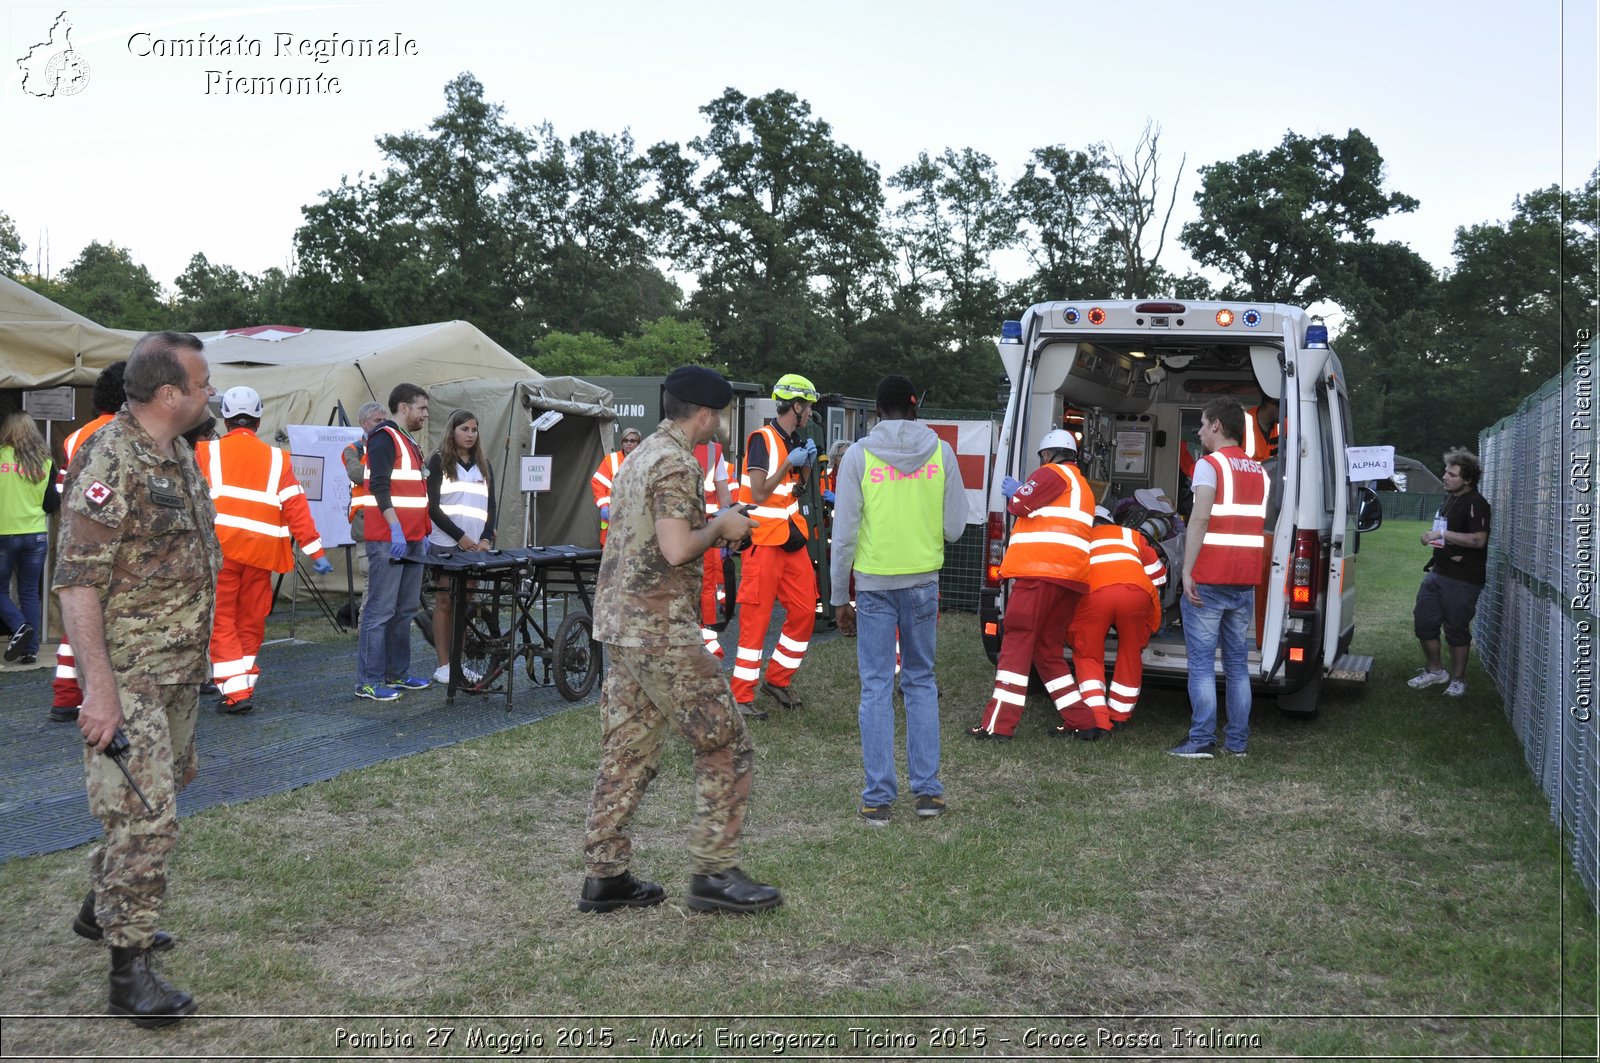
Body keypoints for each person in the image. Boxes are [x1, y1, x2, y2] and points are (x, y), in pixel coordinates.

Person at [54, 331, 220, 1027]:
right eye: (203, 383)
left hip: (177, 668)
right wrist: (99, 689)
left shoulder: (175, 451)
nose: (210, 392)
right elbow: (77, 581)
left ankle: (104, 906)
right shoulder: (110, 457)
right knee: (147, 818)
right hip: (131, 674)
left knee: (158, 790)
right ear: (169, 394)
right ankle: (130, 973)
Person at [580, 365, 783, 916]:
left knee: (628, 751)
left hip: (621, 626)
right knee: (725, 742)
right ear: (705, 414)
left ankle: (606, 875)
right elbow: (675, 549)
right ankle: (714, 876)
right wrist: (721, 527)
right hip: (659, 629)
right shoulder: (675, 462)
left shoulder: (640, 455)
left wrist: (716, 523)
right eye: (718, 415)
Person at [829, 375, 965, 826]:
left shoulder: (857, 456)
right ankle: (928, 794)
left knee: (875, 686)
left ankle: (878, 799)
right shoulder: (941, 452)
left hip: (872, 586)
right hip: (923, 582)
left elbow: (844, 535)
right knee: (921, 682)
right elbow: (956, 528)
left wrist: (836, 596)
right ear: (914, 408)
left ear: (876, 410)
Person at [194, 386, 332, 714]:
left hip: (222, 552)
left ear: (226, 420)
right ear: (257, 420)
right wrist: (317, 554)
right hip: (262, 556)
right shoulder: (278, 459)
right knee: (251, 619)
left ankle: (236, 692)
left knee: (223, 620)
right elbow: (297, 509)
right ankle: (244, 680)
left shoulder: (205, 454)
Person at [968, 429, 1094, 740]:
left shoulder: (1052, 473)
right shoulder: (1083, 486)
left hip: (1039, 574)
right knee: (1047, 650)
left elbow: (1019, 505)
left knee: (1016, 644)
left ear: (1047, 455)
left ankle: (997, 725)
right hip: (1070, 579)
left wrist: (1017, 490)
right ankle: (1081, 720)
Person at [1169, 396, 1270, 759]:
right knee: (1237, 666)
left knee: (1201, 665)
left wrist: (1186, 570)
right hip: (1244, 579)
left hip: (1210, 577)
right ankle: (1237, 743)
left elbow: (1199, 519)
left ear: (1217, 426)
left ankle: (1200, 740)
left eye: (1201, 423)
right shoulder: (1259, 471)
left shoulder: (1209, 465)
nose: (1198, 431)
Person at [732, 373, 821, 717]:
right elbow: (758, 493)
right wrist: (788, 462)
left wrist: (808, 464)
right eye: (808, 406)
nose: (811, 412)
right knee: (756, 619)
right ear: (795, 406)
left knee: (803, 611)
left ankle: (777, 680)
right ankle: (741, 697)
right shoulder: (762, 439)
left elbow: (795, 490)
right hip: (762, 542)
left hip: (791, 539)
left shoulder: (795, 439)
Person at [50, 361, 127, 722]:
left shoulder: (74, 437)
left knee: (78, 620)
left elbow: (65, 489)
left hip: (76, 538)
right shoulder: (131, 435)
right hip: (119, 545)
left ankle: (66, 696)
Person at [354, 383, 431, 701]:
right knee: (380, 611)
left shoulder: (408, 440)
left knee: (405, 610)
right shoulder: (384, 437)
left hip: (412, 539)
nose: (425, 414)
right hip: (389, 539)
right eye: (422, 408)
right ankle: (369, 681)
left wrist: (421, 532)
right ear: (404, 406)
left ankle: (397, 675)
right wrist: (396, 528)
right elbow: (380, 486)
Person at [1064, 506, 1167, 739]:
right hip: (1135, 593)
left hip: (1094, 595)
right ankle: (1120, 716)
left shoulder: (1078, 538)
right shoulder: (1131, 535)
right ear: (1110, 521)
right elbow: (1159, 576)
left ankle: (1097, 718)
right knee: (1130, 653)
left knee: (1088, 655)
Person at [1409, 448, 1491, 698]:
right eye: (1446, 472)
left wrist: (1442, 534)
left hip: (1463, 579)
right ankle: (1435, 672)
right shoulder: (1451, 498)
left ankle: (1458, 680)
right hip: (1438, 572)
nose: (1445, 476)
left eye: (1451, 474)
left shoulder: (1477, 503)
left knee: (1456, 629)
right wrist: (1433, 538)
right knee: (1424, 622)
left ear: (1467, 479)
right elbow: (1443, 531)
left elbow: (1478, 540)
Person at [425, 409, 497, 685]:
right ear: (452, 431)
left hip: (476, 547)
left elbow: (490, 506)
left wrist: (486, 538)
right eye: (464, 429)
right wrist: (460, 537)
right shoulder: (438, 461)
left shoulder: (484, 464)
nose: (470, 434)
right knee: (445, 602)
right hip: (446, 544)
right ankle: (444, 665)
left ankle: (460, 662)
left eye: (474, 429)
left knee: (466, 605)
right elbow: (432, 507)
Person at [0, 411, 60, 665]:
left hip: (3, 534)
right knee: (29, 592)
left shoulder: (1, 457)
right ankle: (30, 650)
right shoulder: (45, 463)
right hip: (36, 536)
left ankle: (19, 626)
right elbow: (51, 504)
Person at [694, 436, 736, 658]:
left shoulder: (714, 452)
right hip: (687, 529)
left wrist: (726, 528)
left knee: (707, 582)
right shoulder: (667, 446)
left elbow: (726, 497)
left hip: (706, 528)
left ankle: (707, 636)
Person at [342, 401, 388, 543]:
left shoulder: (394, 444)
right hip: (366, 523)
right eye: (377, 420)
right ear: (363, 423)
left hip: (392, 518)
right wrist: (384, 465)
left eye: (384, 420)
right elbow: (356, 475)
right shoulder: (353, 449)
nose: (382, 424)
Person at [591, 427, 642, 547]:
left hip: (636, 516)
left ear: (639, 443)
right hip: (613, 517)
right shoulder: (611, 460)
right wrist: (604, 506)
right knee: (610, 552)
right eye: (626, 440)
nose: (629, 443)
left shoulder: (645, 461)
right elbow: (597, 483)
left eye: (633, 441)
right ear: (622, 443)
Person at [1243, 392, 1280, 462]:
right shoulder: (1243, 422)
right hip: (1248, 471)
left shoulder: (1284, 424)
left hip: (1272, 471)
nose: (1286, 411)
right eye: (1284, 406)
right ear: (1272, 403)